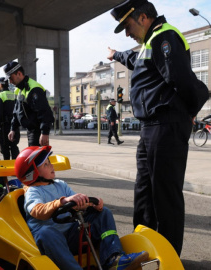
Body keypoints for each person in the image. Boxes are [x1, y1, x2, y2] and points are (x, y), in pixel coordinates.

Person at [107, 0, 209, 256]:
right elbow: (133, 59)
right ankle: (145, 249)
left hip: (166, 125)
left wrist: (186, 114)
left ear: (142, 18)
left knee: (165, 195)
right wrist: (115, 55)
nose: (128, 33)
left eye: (128, 26)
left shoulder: (165, 37)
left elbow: (181, 81)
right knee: (145, 191)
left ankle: (168, 256)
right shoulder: (148, 44)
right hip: (151, 128)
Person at [15, 146, 149, 270]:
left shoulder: (60, 185)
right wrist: (61, 202)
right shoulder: (33, 191)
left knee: (104, 213)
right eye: (46, 164)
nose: (52, 165)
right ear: (32, 174)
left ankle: (114, 258)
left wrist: (91, 204)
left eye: (50, 161)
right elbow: (37, 210)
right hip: (49, 243)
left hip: (71, 235)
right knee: (46, 232)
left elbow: (76, 202)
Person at [3, 61, 54, 146]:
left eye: (11, 78)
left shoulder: (34, 89)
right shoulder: (19, 90)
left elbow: (44, 112)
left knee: (37, 158)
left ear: (19, 73)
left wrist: (44, 132)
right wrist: (13, 129)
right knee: (37, 158)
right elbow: (16, 112)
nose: (10, 82)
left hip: (37, 131)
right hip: (30, 131)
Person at [0, 77, 20, 160]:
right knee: (14, 147)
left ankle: (7, 168)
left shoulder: (0, 96)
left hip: (4, 127)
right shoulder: (14, 95)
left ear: (0, 85)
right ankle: (15, 167)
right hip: (15, 126)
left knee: (5, 148)